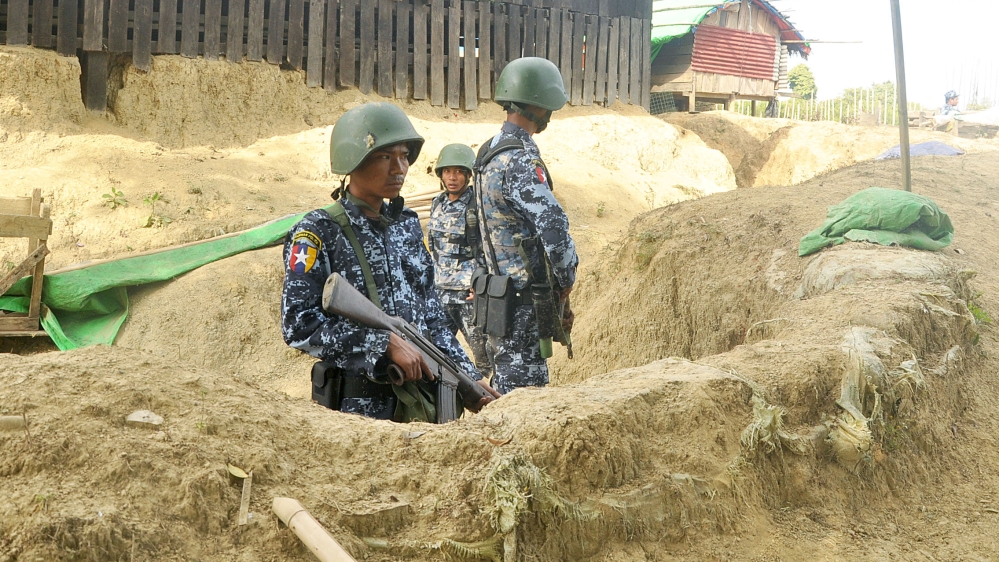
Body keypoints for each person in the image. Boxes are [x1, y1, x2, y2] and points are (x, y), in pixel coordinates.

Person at [281, 102, 499, 420]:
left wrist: (468, 379)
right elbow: (299, 325)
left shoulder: (406, 224)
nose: (399, 168)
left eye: (404, 156)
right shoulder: (317, 231)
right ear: (351, 159)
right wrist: (382, 344)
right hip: (356, 415)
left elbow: (433, 317)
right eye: (385, 157)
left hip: (421, 407)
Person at [473, 57, 579, 395]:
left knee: (505, 383)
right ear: (540, 105)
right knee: (525, 399)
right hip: (522, 303)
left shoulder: (487, 152)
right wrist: (566, 279)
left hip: (495, 296)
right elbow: (553, 228)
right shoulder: (520, 160)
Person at [426, 144, 494, 380]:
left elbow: (488, 248)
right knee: (435, 351)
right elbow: (433, 247)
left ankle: (491, 398)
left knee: (484, 355)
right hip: (440, 292)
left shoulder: (477, 205)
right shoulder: (437, 203)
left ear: (467, 175)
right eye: (447, 171)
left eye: (458, 171)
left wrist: (482, 284)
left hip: (468, 293)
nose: (452, 177)